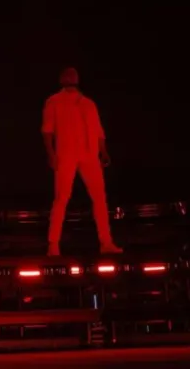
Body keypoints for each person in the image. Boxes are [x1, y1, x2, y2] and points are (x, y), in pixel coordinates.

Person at [42, 67, 123, 256]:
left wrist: (103, 151)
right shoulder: (54, 102)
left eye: (73, 73)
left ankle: (106, 242)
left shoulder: (88, 103)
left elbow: (98, 130)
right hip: (66, 153)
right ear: (62, 78)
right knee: (62, 197)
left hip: (89, 154)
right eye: (67, 74)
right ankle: (53, 244)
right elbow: (47, 131)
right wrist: (51, 154)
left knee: (99, 197)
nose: (71, 76)